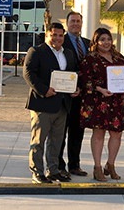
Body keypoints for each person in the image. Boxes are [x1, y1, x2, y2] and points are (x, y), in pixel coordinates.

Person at [23, 22, 79, 184]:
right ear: (47, 35)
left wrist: (77, 88)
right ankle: (37, 172)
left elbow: (74, 73)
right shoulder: (36, 51)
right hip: (42, 103)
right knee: (38, 141)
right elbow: (28, 73)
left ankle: (53, 170)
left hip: (62, 104)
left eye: (60, 35)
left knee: (56, 141)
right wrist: (44, 90)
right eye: (54, 35)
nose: (57, 38)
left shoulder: (68, 53)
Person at [79, 28, 124, 182]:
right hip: (98, 101)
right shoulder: (89, 59)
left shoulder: (119, 58)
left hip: (116, 102)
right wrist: (99, 88)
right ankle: (97, 167)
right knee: (99, 134)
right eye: (102, 39)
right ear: (96, 42)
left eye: (108, 39)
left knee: (117, 134)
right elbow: (84, 80)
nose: (106, 42)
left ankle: (111, 165)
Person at [58, 12, 90, 178]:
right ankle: (59, 165)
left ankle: (74, 165)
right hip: (65, 96)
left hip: (82, 97)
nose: (76, 24)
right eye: (73, 21)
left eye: (78, 21)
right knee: (61, 133)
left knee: (77, 133)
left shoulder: (88, 43)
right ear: (67, 23)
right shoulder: (61, 41)